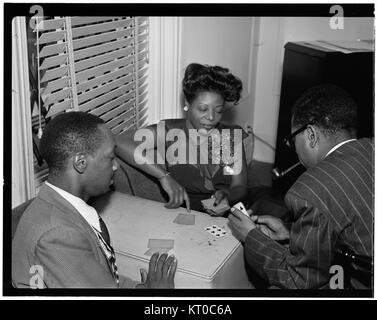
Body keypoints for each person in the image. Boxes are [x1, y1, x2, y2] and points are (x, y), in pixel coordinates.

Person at [229, 84, 373, 289]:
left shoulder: (310, 191)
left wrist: (250, 236)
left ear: (311, 135)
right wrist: (291, 232)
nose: (294, 149)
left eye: (292, 140)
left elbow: (298, 280)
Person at [12, 112, 177, 288]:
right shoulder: (57, 235)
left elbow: (98, 277)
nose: (116, 166)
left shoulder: (62, 205)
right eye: (110, 158)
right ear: (80, 163)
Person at [116, 63, 249, 214]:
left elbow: (240, 186)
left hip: (227, 215)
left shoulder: (227, 137)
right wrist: (163, 176)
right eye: (203, 109)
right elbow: (120, 141)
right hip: (186, 213)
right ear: (187, 103)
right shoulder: (170, 131)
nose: (211, 117)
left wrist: (227, 195)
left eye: (218, 111)